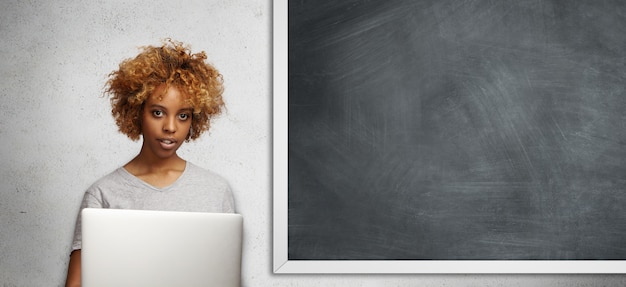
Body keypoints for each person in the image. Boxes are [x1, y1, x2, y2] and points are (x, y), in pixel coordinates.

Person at [65, 39, 235, 287]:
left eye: (183, 116)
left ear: (194, 120)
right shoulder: (102, 194)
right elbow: (76, 284)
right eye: (158, 112)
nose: (170, 127)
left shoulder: (216, 191)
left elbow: (226, 279)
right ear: (136, 112)